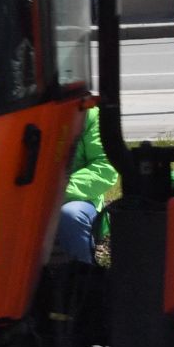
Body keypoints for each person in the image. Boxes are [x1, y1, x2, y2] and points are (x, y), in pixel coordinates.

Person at [57, 108, 118, 264]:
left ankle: (84, 277)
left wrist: (56, 192)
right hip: (30, 198)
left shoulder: (87, 114)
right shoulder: (21, 113)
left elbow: (105, 168)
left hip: (79, 199)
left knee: (71, 214)